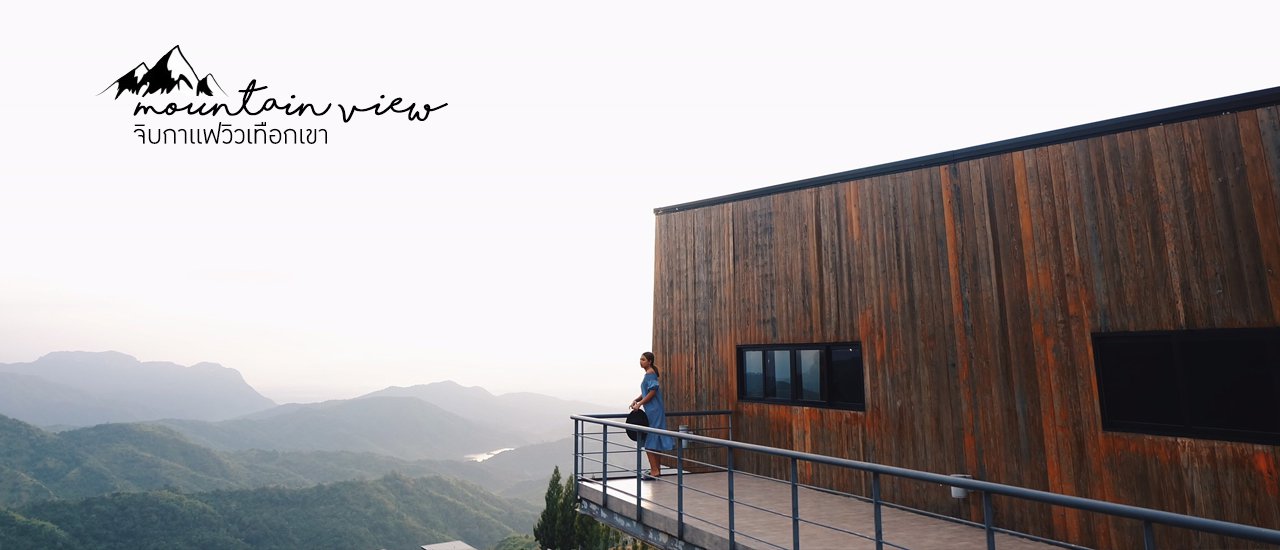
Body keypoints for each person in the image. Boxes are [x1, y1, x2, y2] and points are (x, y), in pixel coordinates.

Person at [630, 351, 674, 478]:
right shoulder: (649, 374)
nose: (641, 361)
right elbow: (647, 391)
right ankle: (656, 470)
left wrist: (640, 404)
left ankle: (654, 470)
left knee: (649, 440)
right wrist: (637, 400)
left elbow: (652, 392)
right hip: (653, 410)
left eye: (643, 359)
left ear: (649, 361)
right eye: (640, 359)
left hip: (654, 410)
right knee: (654, 438)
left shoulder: (650, 374)